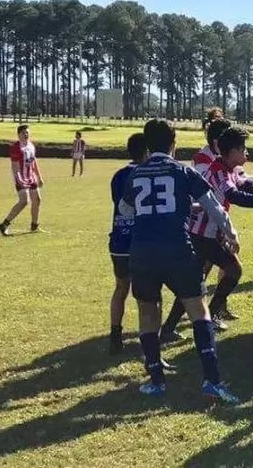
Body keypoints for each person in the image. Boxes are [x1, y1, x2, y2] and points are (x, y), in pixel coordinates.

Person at [118, 118, 240, 403]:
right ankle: (212, 381)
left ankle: (156, 380)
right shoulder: (182, 172)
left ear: (148, 146)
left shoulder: (135, 175)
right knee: (199, 311)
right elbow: (213, 205)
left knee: (148, 313)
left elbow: (125, 211)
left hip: (144, 251)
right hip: (177, 248)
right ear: (174, 144)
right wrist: (230, 233)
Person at [160, 126, 253, 338]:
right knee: (233, 270)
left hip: (206, 234)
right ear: (230, 152)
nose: (246, 152)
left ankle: (168, 329)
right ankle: (211, 315)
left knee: (195, 283)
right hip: (203, 235)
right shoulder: (218, 170)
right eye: (242, 148)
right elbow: (234, 195)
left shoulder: (226, 168)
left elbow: (243, 183)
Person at [108, 133, 147, 355]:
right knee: (145, 293)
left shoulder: (118, 175)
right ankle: (147, 338)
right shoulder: (146, 174)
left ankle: (115, 335)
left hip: (119, 241)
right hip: (140, 242)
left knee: (121, 288)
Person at [0, 124, 44, 235]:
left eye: (27, 132)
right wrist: (19, 180)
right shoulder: (16, 148)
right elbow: (14, 166)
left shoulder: (31, 145)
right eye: (24, 133)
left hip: (31, 177)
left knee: (37, 200)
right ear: (18, 135)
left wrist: (39, 177)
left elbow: (34, 161)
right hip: (20, 177)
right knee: (24, 201)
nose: (26, 134)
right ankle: (4, 224)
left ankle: (34, 226)